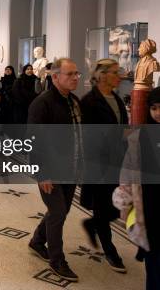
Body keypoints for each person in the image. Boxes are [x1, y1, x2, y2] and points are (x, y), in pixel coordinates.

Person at [27, 58, 83, 282]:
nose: (75, 78)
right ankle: (57, 260)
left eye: (77, 73)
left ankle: (38, 241)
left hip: (71, 167)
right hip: (50, 168)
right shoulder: (42, 103)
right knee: (58, 212)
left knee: (61, 210)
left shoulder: (73, 101)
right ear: (55, 77)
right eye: (70, 74)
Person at [80, 58, 128, 273]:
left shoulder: (116, 99)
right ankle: (110, 250)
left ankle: (92, 224)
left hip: (116, 160)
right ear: (103, 75)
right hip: (98, 162)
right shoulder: (89, 102)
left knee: (114, 205)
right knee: (103, 205)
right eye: (116, 72)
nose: (120, 75)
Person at [113, 87, 160, 289]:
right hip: (151, 209)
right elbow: (129, 171)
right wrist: (125, 200)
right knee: (154, 265)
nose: (158, 113)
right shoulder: (141, 137)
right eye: (154, 108)